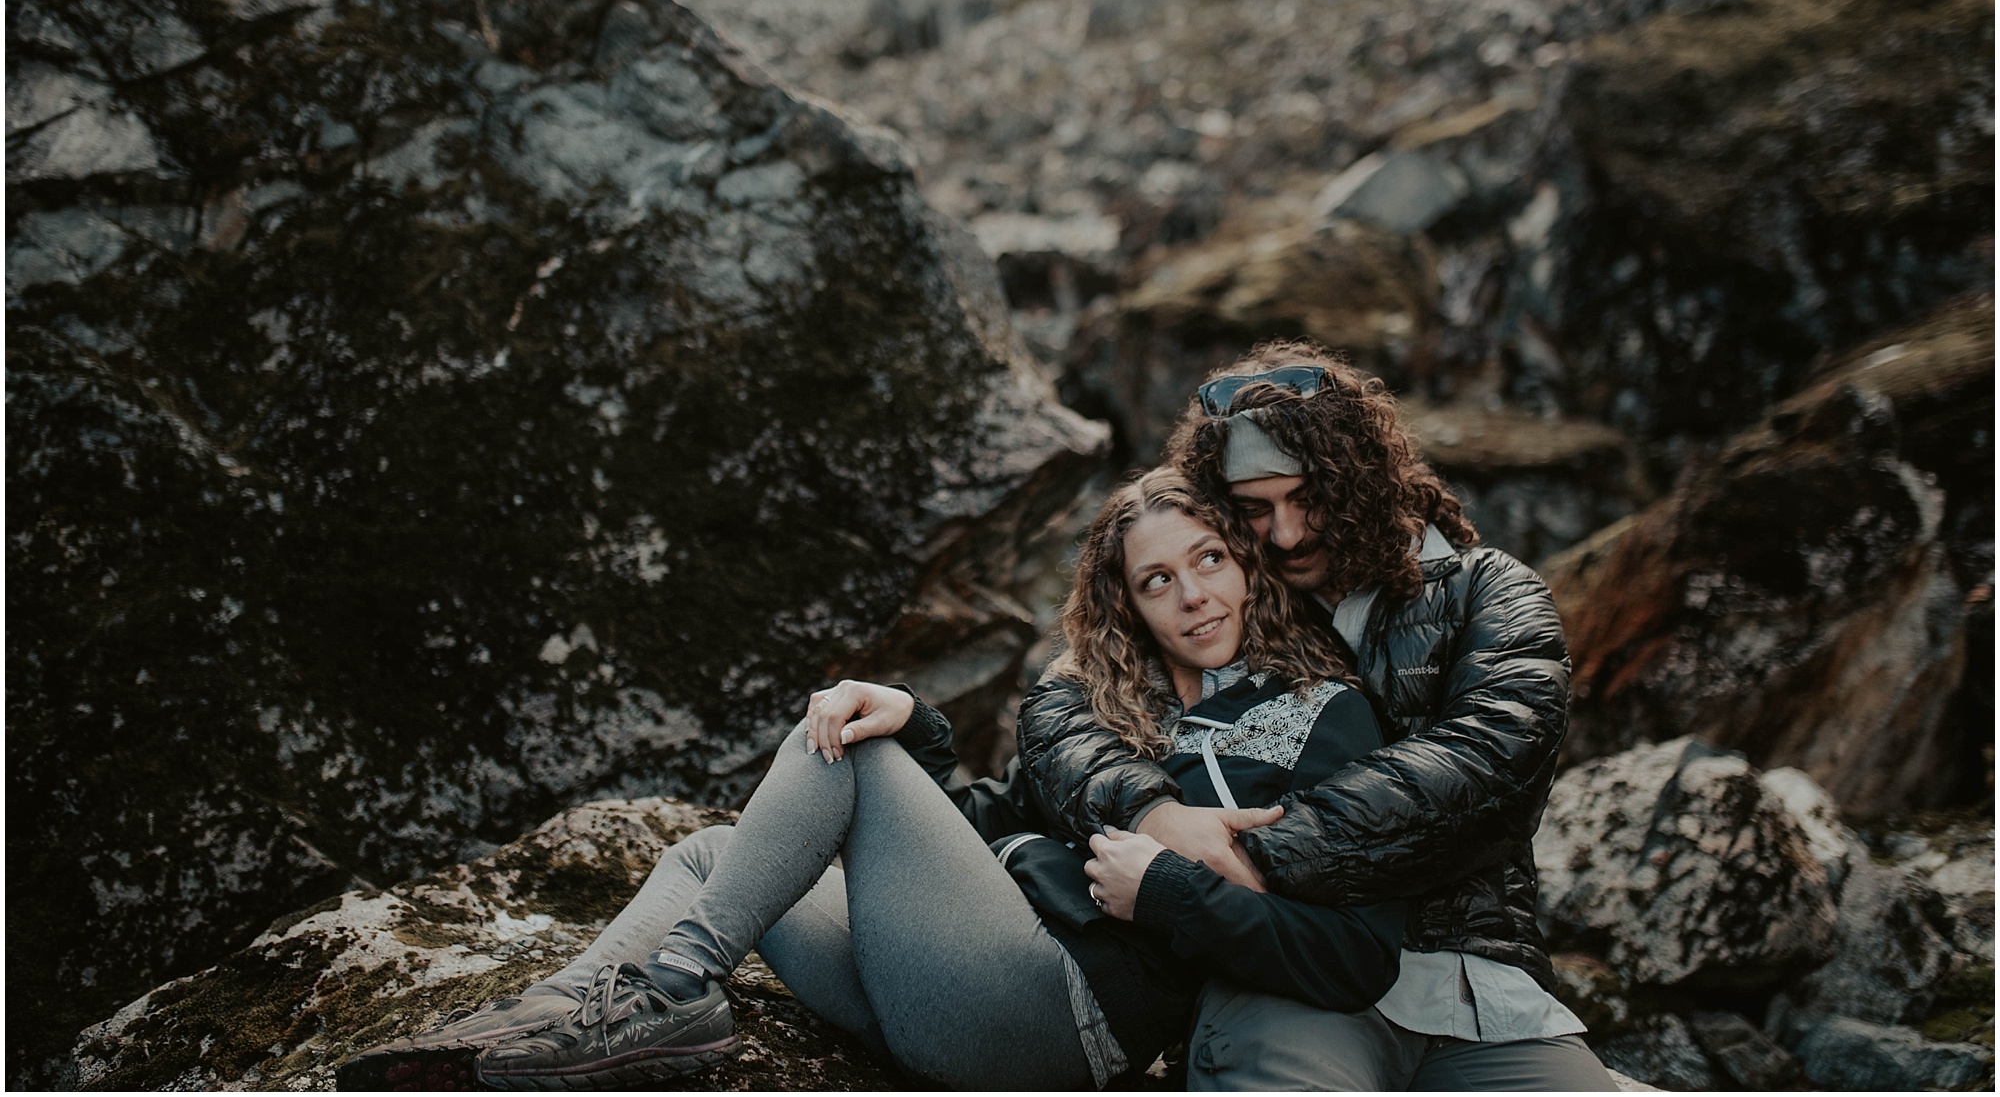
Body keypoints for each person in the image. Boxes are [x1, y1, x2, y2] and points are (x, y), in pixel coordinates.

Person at [339, 468, 1403, 1092]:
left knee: (848, 743)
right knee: (719, 850)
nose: (1190, 597)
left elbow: (1353, 954)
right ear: (1126, 604)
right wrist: (927, 728)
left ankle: (673, 991)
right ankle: (564, 1017)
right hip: (947, 982)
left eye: (1209, 560)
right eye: (1155, 580)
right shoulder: (1109, 708)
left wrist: (1173, 890)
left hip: (1058, 1018)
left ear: (1248, 562)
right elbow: (987, 822)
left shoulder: (1323, 716)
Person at [1018, 342, 1619, 1091]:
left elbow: (1492, 765)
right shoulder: (1230, 600)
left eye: (1311, 498)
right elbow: (1060, 708)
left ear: (1363, 478)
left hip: (1476, 987)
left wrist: (1250, 856)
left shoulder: (1484, 593)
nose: (1290, 533)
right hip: (1287, 977)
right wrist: (1151, 814)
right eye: (1254, 511)